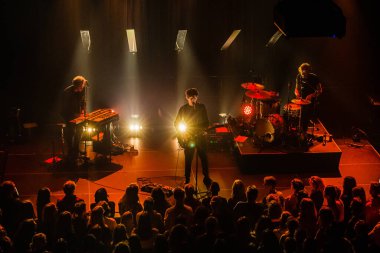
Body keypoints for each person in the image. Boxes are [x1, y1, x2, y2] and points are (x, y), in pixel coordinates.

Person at [174, 88, 212, 186]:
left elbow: (206, 122)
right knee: (188, 159)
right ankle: (187, 178)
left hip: (200, 137)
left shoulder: (202, 107)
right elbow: (176, 123)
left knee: (203, 157)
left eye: (195, 97)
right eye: (191, 98)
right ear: (187, 98)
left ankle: (206, 177)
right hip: (188, 138)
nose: (193, 100)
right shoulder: (183, 109)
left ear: (197, 97)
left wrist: (204, 130)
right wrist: (180, 137)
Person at [60, 75, 88, 162]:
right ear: (77, 85)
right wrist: (74, 114)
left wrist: (83, 111)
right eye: (82, 85)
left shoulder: (82, 90)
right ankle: (70, 150)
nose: (83, 87)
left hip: (78, 115)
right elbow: (65, 107)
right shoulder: (67, 92)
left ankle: (76, 149)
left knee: (80, 131)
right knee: (71, 132)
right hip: (67, 115)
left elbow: (83, 101)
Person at [294, 63, 322, 132]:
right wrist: (297, 93)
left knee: (305, 115)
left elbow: (320, 90)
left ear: (308, 71)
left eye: (305, 72)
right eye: (302, 71)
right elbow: (296, 89)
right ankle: (299, 131)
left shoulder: (314, 78)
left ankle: (304, 132)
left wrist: (311, 95)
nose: (303, 73)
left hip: (310, 101)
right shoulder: (299, 76)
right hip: (301, 100)